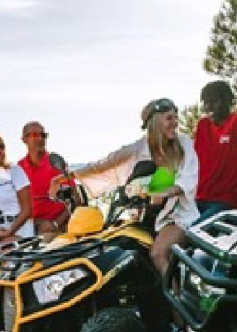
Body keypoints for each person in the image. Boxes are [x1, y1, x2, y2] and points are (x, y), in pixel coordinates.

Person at [60, 97, 199, 277]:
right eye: (169, 118)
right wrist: (69, 176)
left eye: (175, 117)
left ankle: (177, 301)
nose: (175, 123)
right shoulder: (139, 148)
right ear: (155, 122)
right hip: (148, 216)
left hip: (178, 215)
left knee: (158, 253)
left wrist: (161, 191)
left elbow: (187, 181)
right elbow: (106, 163)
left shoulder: (184, 143)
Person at [193, 79, 237, 217]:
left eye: (214, 101)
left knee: (191, 234)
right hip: (198, 200)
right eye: (205, 102)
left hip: (226, 202)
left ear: (227, 101)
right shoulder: (203, 126)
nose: (209, 107)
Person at [16, 120, 80, 241]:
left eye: (43, 135)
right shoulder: (18, 169)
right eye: (34, 135)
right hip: (30, 227)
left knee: (41, 244)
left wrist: (55, 223)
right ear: (24, 139)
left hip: (57, 225)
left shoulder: (56, 164)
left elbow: (76, 199)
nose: (40, 138)